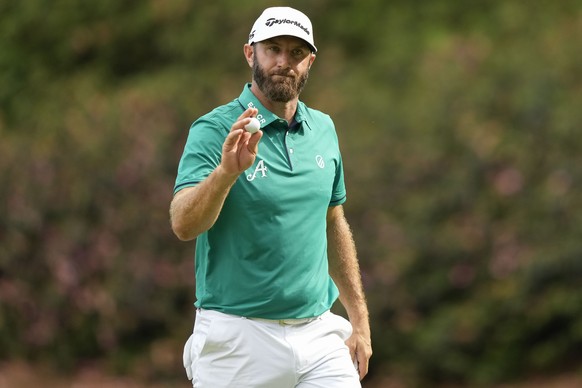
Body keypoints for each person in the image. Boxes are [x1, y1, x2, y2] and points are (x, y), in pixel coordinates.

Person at [170, 6, 372, 388]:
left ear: (310, 61)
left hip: (317, 333)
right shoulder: (215, 129)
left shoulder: (323, 128)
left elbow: (332, 221)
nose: (284, 61)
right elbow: (182, 223)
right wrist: (225, 175)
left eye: (296, 52)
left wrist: (359, 319)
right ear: (250, 53)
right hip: (237, 337)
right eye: (272, 49)